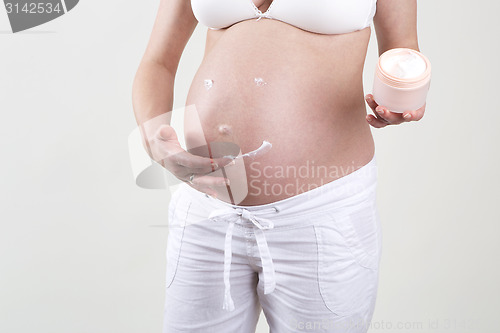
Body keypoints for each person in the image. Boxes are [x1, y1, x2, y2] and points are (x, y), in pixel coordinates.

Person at [132, 0, 425, 332]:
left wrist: (403, 99)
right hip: (206, 210)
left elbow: (404, 55)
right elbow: (157, 61)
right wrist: (154, 139)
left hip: (321, 214)